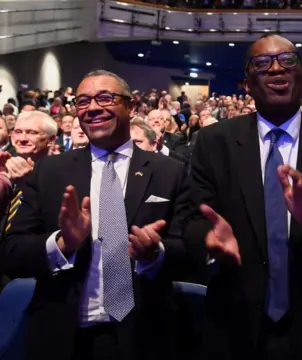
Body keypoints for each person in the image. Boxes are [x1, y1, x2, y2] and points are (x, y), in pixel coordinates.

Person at [183, 34, 302, 360]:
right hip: (234, 323)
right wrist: (209, 240)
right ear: (246, 83)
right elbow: (191, 223)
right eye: (262, 64)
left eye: (287, 61)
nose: (275, 69)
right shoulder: (214, 142)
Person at [0, 70, 188, 360]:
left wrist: (155, 253)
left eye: (105, 98)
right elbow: (11, 252)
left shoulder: (170, 172)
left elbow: (191, 249)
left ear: (132, 107)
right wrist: (63, 244)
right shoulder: (50, 172)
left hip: (146, 334)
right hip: (62, 335)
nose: (93, 108)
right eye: (83, 101)